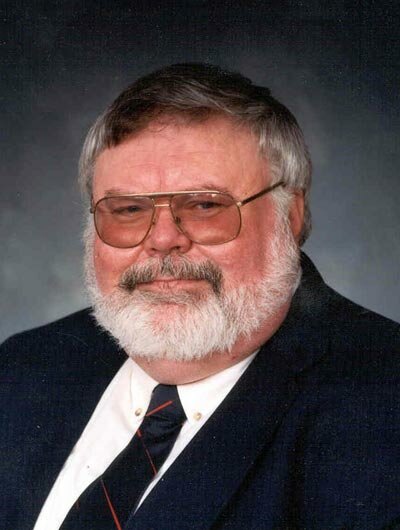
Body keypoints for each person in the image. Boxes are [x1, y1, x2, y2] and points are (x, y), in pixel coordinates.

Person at [1, 63, 400, 530]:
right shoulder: (22, 368)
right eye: (128, 209)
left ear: (289, 218)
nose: (163, 239)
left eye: (206, 205)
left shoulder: (383, 412)